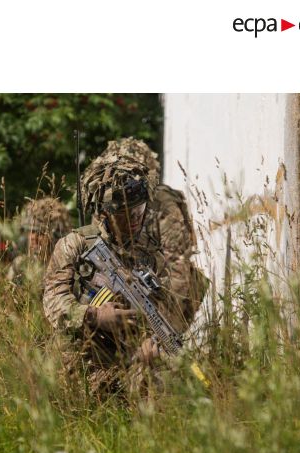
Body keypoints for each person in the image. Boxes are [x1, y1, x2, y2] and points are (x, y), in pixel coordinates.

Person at [42, 138, 206, 400]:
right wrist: (94, 316)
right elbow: (52, 301)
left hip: (126, 360)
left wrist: (145, 349)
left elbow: (157, 314)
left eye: (139, 211)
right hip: (82, 356)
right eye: (123, 215)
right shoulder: (75, 246)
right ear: (105, 213)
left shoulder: (149, 254)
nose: (134, 221)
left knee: (172, 389)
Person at [7, 197, 71, 284]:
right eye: (32, 231)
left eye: (41, 233)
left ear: (55, 238)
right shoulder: (20, 264)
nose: (34, 238)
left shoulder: (64, 269)